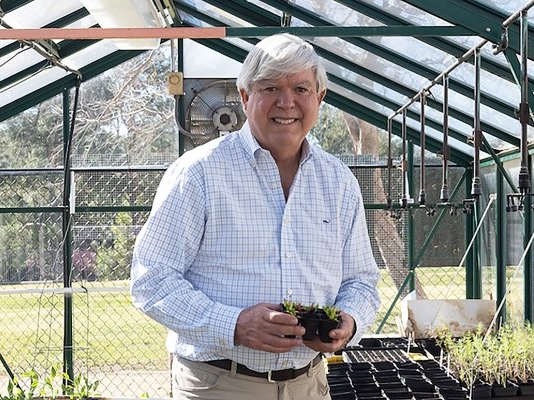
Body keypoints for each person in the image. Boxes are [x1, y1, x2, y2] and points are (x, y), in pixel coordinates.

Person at [130, 33, 380, 400]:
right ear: (245, 97)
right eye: (270, 87)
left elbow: (361, 280)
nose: (286, 102)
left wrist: (350, 320)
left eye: (300, 88)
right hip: (220, 385)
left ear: (320, 99)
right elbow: (151, 279)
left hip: (309, 384)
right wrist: (232, 325)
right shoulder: (200, 173)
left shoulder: (338, 182)